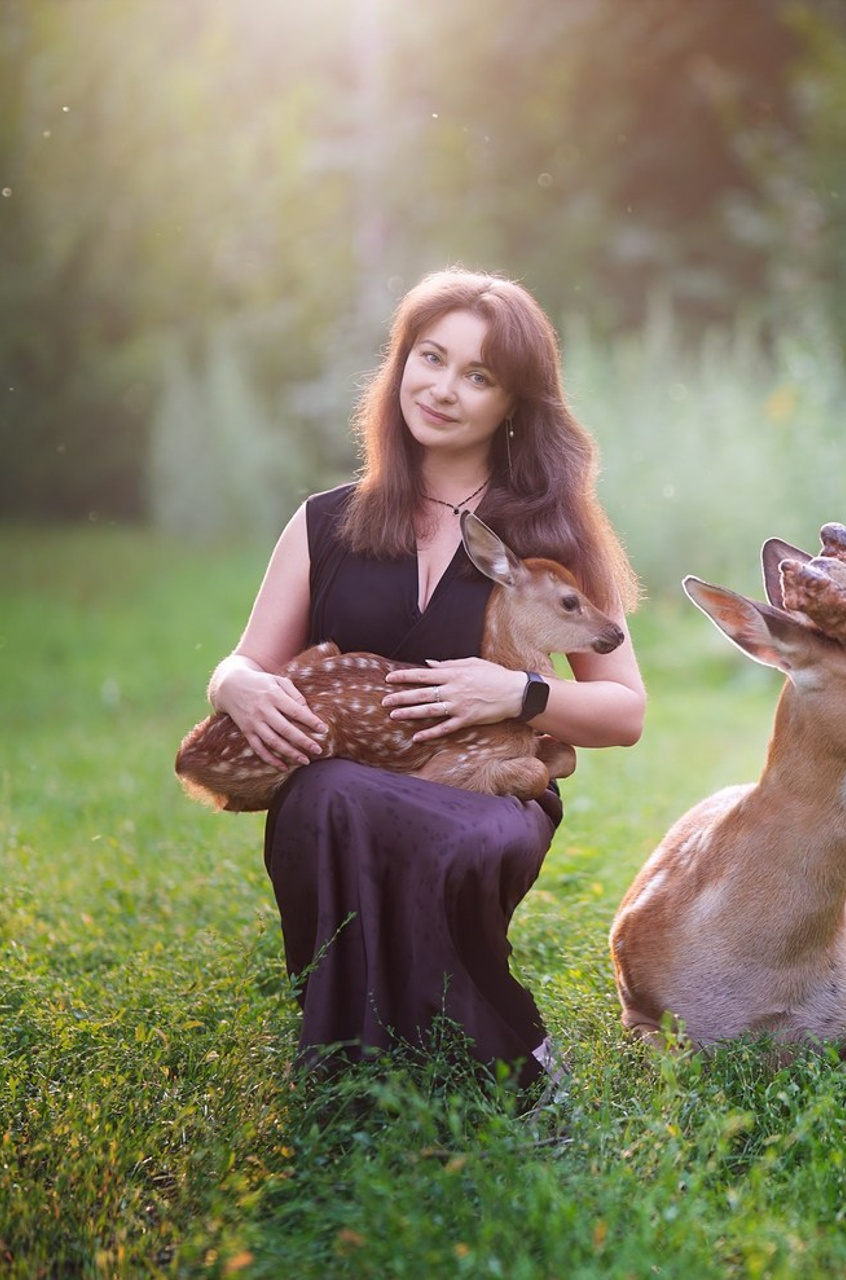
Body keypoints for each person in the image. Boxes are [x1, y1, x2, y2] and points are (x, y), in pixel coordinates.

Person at [204, 268, 646, 1089]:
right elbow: (244, 661)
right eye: (430, 357)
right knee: (330, 793)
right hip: (343, 795)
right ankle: (356, 1070)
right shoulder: (325, 522)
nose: (443, 389)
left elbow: (626, 711)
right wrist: (231, 684)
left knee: (415, 820)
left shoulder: (550, 535)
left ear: (514, 403)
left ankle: (497, 1056)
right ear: (399, 362)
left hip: (486, 797)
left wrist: (519, 695)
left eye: (479, 375)